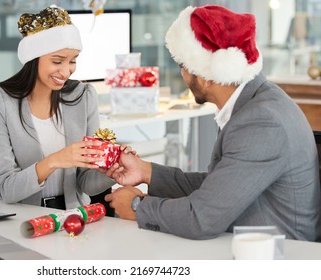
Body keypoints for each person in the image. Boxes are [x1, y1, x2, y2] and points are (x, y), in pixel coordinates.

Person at [105, 5, 321, 241]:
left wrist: (138, 206)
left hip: (279, 256)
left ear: (207, 76)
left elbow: (202, 218)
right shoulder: (255, 103)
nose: (183, 76)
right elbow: (217, 188)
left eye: (183, 67)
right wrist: (146, 171)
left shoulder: (260, 122)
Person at [0, 6, 121, 211]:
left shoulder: (83, 96)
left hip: (74, 217)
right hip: (21, 218)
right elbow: (6, 189)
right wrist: (55, 160)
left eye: (73, 61)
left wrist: (111, 171)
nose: (66, 71)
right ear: (33, 58)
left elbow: (86, 184)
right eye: (57, 61)